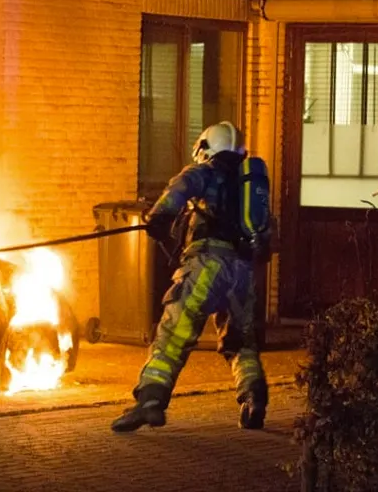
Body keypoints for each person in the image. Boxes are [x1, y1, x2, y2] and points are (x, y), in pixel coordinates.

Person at [111, 121, 269, 433]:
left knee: (174, 333)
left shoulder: (204, 172)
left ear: (207, 147)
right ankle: (255, 398)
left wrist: (157, 218)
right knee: (241, 342)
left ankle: (151, 401)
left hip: (208, 266)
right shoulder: (249, 181)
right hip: (243, 272)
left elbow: (178, 191)